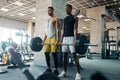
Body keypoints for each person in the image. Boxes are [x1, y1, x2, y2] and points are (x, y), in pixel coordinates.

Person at [58, 4, 81, 80]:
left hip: (71, 38)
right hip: (65, 38)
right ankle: (64, 72)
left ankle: (78, 74)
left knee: (74, 56)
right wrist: (61, 40)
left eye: (68, 8)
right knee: (64, 56)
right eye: (65, 9)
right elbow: (63, 30)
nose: (66, 10)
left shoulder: (75, 18)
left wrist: (75, 39)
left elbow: (75, 29)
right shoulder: (64, 19)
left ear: (71, 9)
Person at [42, 6, 59, 75]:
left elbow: (57, 30)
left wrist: (57, 40)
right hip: (47, 39)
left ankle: (56, 69)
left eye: (50, 10)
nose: (48, 12)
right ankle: (49, 68)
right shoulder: (47, 20)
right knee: (46, 53)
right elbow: (46, 31)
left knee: (54, 54)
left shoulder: (56, 19)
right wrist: (43, 40)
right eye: (48, 10)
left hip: (53, 38)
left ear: (53, 11)